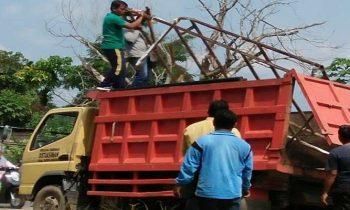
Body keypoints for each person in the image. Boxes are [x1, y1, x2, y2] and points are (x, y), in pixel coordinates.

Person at [175, 109, 253, 210]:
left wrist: (180, 183)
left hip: (206, 194)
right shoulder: (245, 146)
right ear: (235, 124)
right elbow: (247, 172)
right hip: (233, 194)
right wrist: (246, 188)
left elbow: (189, 167)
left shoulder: (201, 142)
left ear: (214, 123)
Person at [97, 0, 148, 91]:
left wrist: (134, 12)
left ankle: (118, 87)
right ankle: (104, 84)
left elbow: (130, 19)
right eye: (122, 9)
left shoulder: (113, 17)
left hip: (113, 47)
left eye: (125, 9)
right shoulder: (114, 18)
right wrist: (142, 16)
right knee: (119, 68)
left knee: (122, 70)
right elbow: (131, 26)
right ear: (114, 9)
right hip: (113, 47)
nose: (124, 11)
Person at [321, 125, 350, 209]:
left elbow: (332, 174)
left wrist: (325, 192)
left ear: (340, 137)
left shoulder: (335, 153)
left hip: (344, 189)